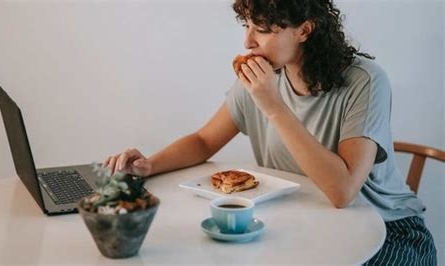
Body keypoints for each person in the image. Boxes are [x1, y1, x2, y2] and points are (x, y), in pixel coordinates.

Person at [103, 0, 436, 264]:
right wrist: (150, 164)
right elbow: (205, 141)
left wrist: (274, 106)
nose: (248, 41)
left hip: (388, 230)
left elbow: (343, 191)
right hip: (302, 222)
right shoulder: (262, 79)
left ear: (305, 29)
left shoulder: (365, 81)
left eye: (261, 29)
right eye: (246, 26)